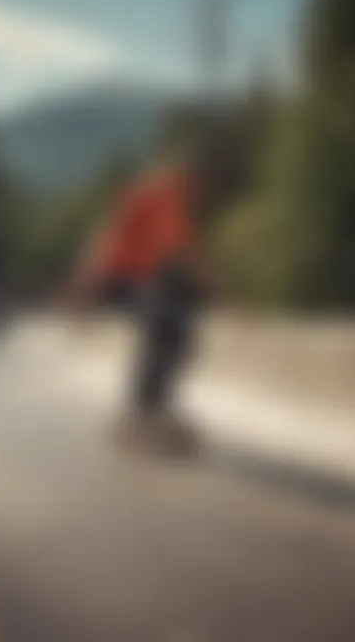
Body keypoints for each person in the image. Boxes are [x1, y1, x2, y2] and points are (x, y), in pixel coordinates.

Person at [65, 126, 236, 452]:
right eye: (202, 186)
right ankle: (141, 409)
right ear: (191, 176)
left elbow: (179, 250)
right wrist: (224, 294)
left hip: (133, 279)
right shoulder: (164, 194)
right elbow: (187, 255)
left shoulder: (166, 195)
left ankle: (154, 406)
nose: (203, 195)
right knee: (164, 321)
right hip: (114, 278)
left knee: (178, 330)